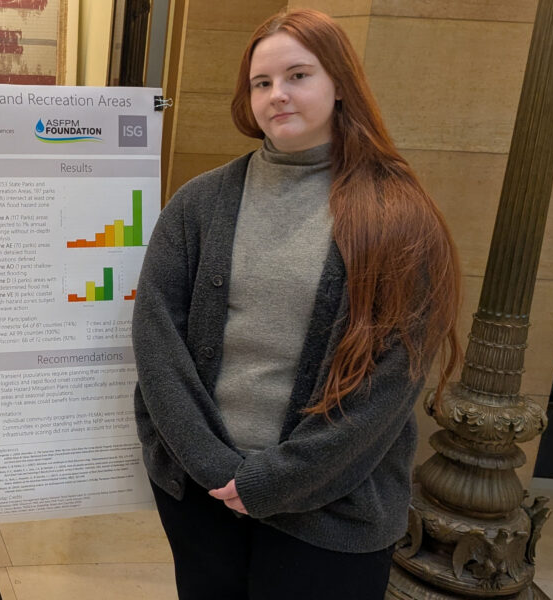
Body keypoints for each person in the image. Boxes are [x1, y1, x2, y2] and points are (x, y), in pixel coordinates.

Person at [131, 9, 462, 599]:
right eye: (262, 83)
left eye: (297, 76)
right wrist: (216, 469)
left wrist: (271, 483)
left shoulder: (399, 217)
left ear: (340, 85)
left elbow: (391, 384)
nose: (276, 95)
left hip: (334, 508)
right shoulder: (199, 203)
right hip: (204, 494)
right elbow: (156, 336)